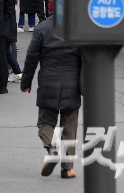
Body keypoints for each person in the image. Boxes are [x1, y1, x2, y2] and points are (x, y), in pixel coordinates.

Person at [20, 20, 82, 179]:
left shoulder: (42, 28)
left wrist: (26, 83)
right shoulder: (78, 27)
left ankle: (51, 148)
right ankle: (67, 169)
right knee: (70, 126)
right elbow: (88, 59)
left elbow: (31, 58)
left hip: (48, 83)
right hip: (72, 84)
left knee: (45, 122)